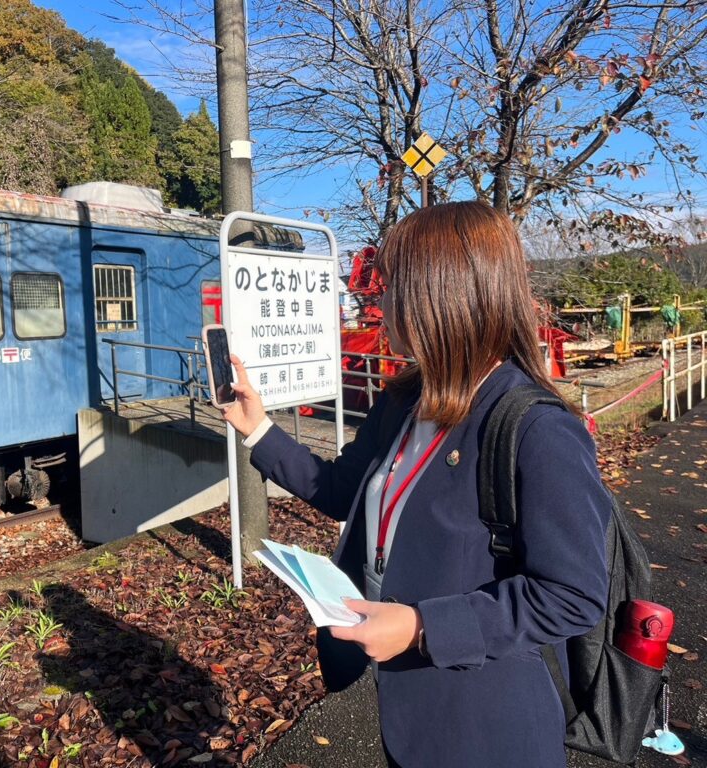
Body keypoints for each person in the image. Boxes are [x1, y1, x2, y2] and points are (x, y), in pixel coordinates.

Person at [219, 201, 612, 768]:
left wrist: (425, 626)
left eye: (393, 284)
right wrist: (258, 430)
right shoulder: (406, 399)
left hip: (487, 726)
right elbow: (339, 490)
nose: (379, 300)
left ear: (444, 292)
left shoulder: (536, 429)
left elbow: (573, 595)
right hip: (406, 709)